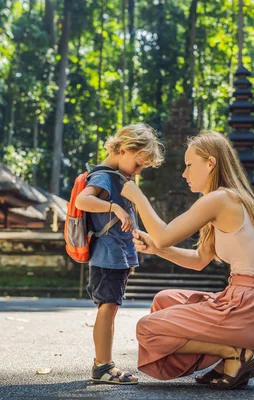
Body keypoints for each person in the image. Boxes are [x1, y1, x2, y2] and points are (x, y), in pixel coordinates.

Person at [120, 130, 254, 390]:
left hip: (249, 308)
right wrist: (156, 249)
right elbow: (199, 260)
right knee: (163, 299)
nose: (184, 174)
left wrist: (137, 196)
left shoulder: (219, 199)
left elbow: (163, 235)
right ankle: (230, 355)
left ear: (210, 163)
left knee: (146, 329)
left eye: (189, 165)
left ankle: (232, 353)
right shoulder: (234, 199)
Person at [74, 123, 164, 385]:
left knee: (109, 306)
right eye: (138, 165)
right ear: (124, 149)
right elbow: (83, 200)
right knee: (108, 307)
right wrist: (114, 207)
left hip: (114, 255)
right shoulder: (104, 177)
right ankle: (102, 366)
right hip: (107, 256)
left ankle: (104, 363)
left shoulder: (116, 176)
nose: (138, 172)